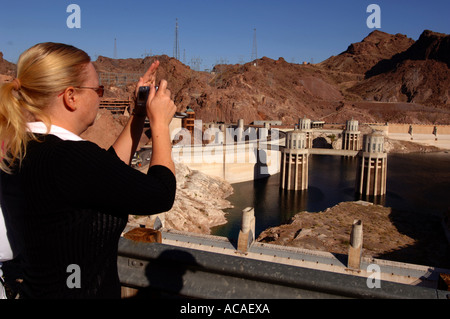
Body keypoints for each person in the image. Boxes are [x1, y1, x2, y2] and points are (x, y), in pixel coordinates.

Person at [0, 42, 177, 299]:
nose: (101, 96)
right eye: (98, 89)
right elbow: (161, 193)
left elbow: (103, 173)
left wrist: (139, 113)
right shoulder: (71, 157)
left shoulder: (21, 148)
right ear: (71, 97)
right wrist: (160, 123)